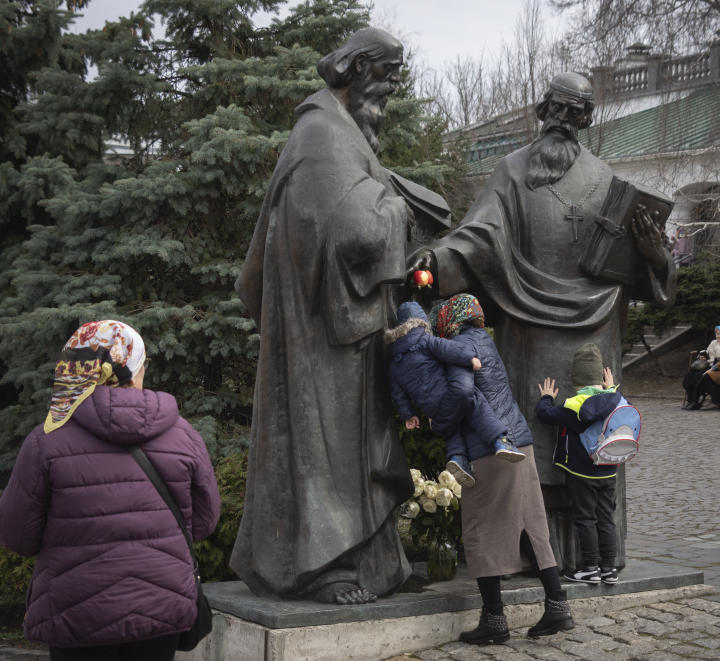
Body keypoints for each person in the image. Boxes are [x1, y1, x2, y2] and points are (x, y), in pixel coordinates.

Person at [410, 72, 676, 571]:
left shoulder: (608, 181)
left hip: (596, 334)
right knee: (527, 438)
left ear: (586, 120)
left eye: (575, 114)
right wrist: (435, 260)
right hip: (527, 332)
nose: (564, 121)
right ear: (542, 111)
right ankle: (529, 552)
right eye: (557, 110)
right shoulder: (511, 172)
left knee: (590, 443)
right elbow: (478, 237)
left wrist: (657, 256)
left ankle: (595, 554)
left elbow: (642, 272)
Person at [231, 28, 416, 605]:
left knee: (350, 452)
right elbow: (352, 232)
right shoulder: (321, 134)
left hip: (344, 332)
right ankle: (326, 566)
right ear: (358, 68)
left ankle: (363, 561)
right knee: (327, 449)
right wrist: (402, 207)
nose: (390, 89)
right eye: (386, 75)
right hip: (324, 340)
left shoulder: (338, 133)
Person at [0, 320, 221, 661]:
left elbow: (17, 536)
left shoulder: (45, 441)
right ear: (132, 370)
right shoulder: (184, 435)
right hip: (159, 610)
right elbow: (204, 523)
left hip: (75, 613)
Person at [433, 294, 574, 643]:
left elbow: (463, 394)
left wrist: (440, 420)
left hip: (489, 447)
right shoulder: (486, 342)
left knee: (481, 528)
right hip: (518, 441)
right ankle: (557, 604)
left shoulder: (458, 347)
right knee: (532, 524)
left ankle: (494, 620)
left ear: (449, 320)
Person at [385, 301, 523, 487]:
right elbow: (448, 350)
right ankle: (500, 441)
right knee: (476, 406)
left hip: (430, 407)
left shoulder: (395, 362)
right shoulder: (424, 340)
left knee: (452, 429)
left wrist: (408, 415)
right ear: (421, 323)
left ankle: (457, 459)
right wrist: (469, 359)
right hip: (447, 391)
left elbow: (397, 392)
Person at [535, 342, 623, 586]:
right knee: (606, 518)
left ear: (576, 380)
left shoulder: (573, 406)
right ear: (601, 378)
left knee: (586, 519)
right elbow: (610, 400)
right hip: (609, 469)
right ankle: (609, 569)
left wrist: (545, 398)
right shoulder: (615, 399)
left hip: (581, 473)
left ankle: (591, 568)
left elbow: (545, 414)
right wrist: (611, 387)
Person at [682, 324, 720, 409]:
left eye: (719, 334)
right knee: (689, 376)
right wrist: (702, 356)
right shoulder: (713, 342)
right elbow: (707, 352)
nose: (717, 336)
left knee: (698, 376)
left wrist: (718, 345)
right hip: (707, 364)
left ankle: (695, 402)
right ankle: (690, 400)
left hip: (717, 366)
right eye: (716, 333)